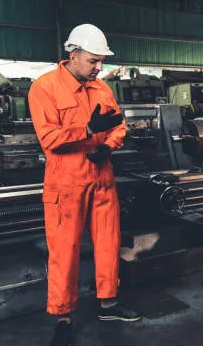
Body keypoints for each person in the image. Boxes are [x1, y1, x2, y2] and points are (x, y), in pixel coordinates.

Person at [28, 24, 142, 346]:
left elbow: (118, 125)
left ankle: (109, 303)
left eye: (101, 61)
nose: (99, 67)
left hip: (102, 177)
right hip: (66, 182)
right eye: (93, 61)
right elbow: (49, 139)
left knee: (108, 243)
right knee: (65, 250)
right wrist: (88, 129)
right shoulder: (45, 88)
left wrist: (109, 145)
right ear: (73, 54)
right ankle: (63, 317)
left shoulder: (102, 89)